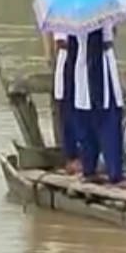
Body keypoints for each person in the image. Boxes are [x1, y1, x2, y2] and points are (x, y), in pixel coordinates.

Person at [73, 24, 126, 188]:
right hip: (100, 68)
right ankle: (114, 173)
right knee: (109, 121)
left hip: (83, 66)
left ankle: (89, 169)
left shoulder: (76, 13)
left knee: (86, 122)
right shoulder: (98, 13)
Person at [53, 32, 81, 174]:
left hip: (86, 62)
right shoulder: (63, 14)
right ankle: (72, 157)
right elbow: (60, 42)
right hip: (68, 60)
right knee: (69, 112)